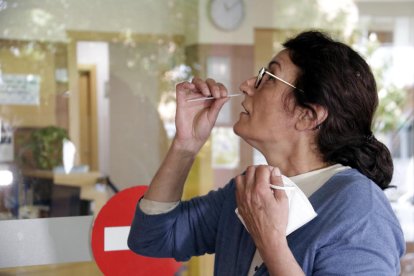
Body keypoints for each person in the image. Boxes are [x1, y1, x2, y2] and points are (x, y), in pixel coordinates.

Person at [128, 31, 405, 275]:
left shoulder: (361, 211)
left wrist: (271, 243)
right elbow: (152, 238)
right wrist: (185, 145)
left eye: (267, 78)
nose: (247, 85)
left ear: (307, 116)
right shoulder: (250, 189)